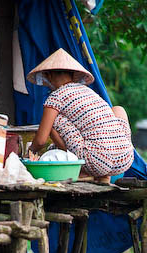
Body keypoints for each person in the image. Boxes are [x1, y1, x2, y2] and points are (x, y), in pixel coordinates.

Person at [26, 48, 134, 183]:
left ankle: (82, 170)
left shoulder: (55, 97)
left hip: (95, 161)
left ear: (49, 75)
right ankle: (104, 176)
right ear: (73, 75)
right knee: (118, 110)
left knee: (53, 120)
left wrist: (27, 155)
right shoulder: (89, 92)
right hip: (124, 158)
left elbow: (41, 140)